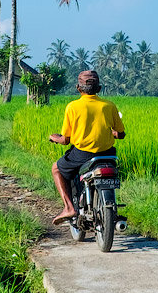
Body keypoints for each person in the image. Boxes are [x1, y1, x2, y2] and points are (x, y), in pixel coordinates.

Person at [49, 70, 125, 225]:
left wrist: (54, 137)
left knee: (56, 168)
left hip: (83, 154)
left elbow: (66, 140)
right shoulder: (109, 106)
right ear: (99, 88)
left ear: (78, 88)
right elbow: (121, 134)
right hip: (108, 155)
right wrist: (112, 133)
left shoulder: (73, 107)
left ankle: (69, 207)